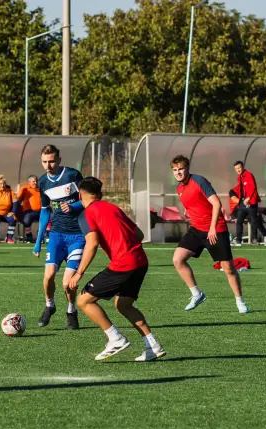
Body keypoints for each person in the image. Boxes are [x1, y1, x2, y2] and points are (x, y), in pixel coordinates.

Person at [69, 177, 166, 362]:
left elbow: (92, 244)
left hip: (124, 264)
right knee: (123, 305)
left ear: (80, 194)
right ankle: (152, 345)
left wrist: (78, 273)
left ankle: (115, 339)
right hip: (140, 261)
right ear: (100, 193)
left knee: (83, 300)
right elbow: (139, 234)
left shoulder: (87, 213)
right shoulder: (113, 208)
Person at [170, 155, 249, 313]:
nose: (178, 172)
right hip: (197, 229)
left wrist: (212, 228)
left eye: (181, 169)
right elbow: (194, 204)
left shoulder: (199, 181)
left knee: (228, 268)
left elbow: (216, 203)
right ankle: (197, 294)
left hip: (216, 229)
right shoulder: (179, 189)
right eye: (175, 170)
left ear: (187, 168)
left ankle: (240, 301)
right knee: (177, 259)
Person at [32, 144, 85, 330]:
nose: (48, 165)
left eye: (52, 161)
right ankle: (50, 306)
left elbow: (88, 199)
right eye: (45, 162)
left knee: (67, 283)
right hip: (56, 235)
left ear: (59, 160)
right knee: (48, 276)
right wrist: (38, 242)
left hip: (78, 236)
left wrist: (74, 207)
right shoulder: (43, 182)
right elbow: (45, 211)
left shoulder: (72, 175)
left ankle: (71, 310)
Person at [232, 161, 266, 246]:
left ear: (242, 167)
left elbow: (253, 187)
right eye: (236, 169)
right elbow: (240, 189)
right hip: (242, 203)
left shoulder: (249, 175)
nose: (238, 170)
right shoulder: (239, 177)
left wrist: (248, 198)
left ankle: (255, 239)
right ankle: (238, 240)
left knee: (254, 221)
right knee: (239, 221)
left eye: (239, 168)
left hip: (251, 203)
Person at [17, 175, 41, 243]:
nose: (35, 183)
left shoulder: (40, 189)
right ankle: (29, 235)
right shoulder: (25, 189)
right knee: (27, 220)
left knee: (52, 217)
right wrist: (17, 211)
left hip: (40, 211)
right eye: (33, 181)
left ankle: (46, 234)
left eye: (36, 181)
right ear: (29, 182)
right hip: (29, 211)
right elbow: (18, 200)